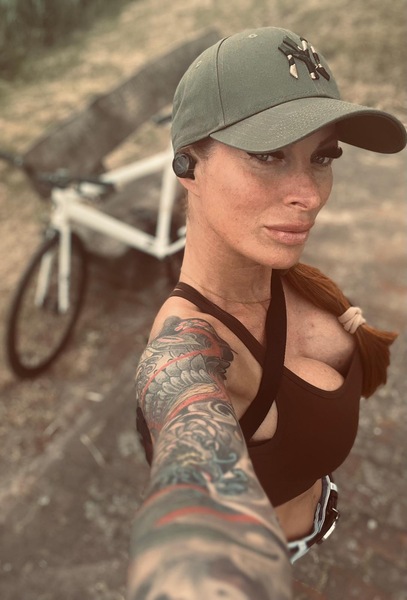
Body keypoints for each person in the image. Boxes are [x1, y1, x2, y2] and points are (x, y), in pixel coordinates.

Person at [127, 26, 406, 599]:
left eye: (323, 157)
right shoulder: (187, 349)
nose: (310, 195)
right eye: (267, 155)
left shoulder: (288, 279)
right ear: (187, 165)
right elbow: (190, 452)